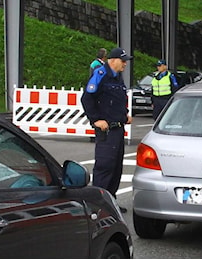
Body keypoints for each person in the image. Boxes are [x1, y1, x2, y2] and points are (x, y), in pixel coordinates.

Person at [81, 47, 133, 213]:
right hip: (107, 131)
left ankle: (111, 201)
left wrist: (125, 115)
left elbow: (116, 100)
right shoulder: (101, 74)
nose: (125, 64)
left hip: (118, 129)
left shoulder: (117, 77)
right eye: (122, 60)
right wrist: (96, 120)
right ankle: (99, 204)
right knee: (105, 166)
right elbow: (87, 98)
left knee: (116, 167)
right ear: (112, 60)